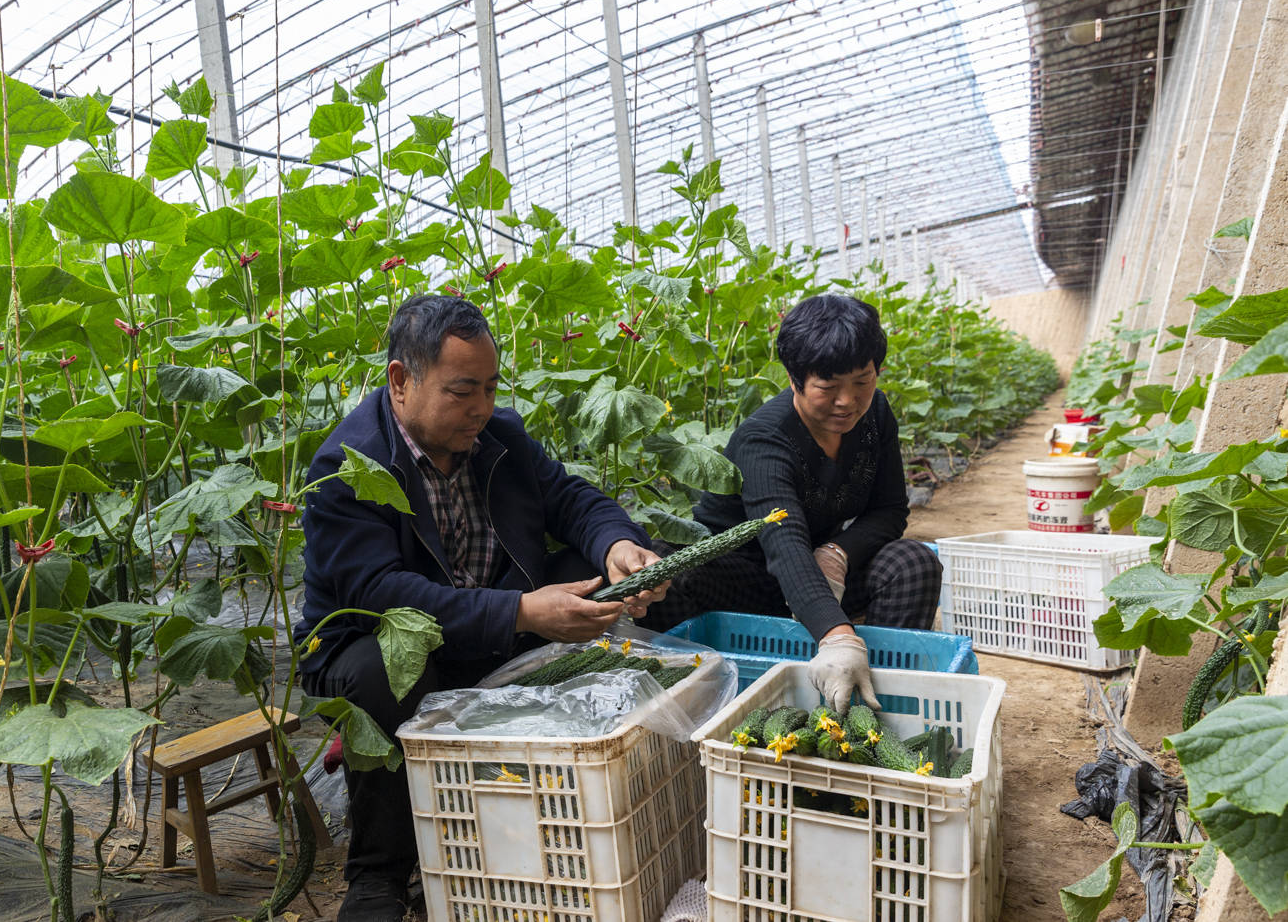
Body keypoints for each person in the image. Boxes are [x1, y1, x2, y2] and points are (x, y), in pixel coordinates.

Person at [294, 294, 667, 922]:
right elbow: (381, 597)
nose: (482, 409)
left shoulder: (500, 436)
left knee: (589, 577)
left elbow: (571, 499)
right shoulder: (346, 467)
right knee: (388, 669)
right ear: (401, 381)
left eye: (491, 388)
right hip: (374, 647)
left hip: (488, 627)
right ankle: (378, 875)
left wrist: (620, 547)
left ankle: (549, 803)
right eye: (463, 391)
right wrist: (521, 612)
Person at [638, 293, 942, 713]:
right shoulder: (765, 439)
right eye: (828, 386)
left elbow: (890, 510)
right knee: (668, 568)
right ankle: (698, 708)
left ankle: (879, 704)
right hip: (745, 579)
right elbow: (784, 547)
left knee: (913, 563)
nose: (847, 401)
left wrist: (838, 552)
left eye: (862, 380)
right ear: (794, 377)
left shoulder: (875, 416)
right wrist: (837, 636)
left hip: (822, 571)